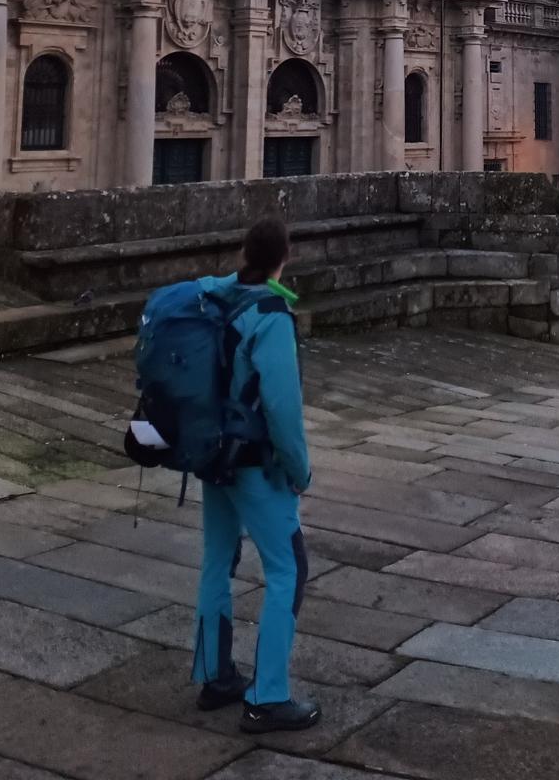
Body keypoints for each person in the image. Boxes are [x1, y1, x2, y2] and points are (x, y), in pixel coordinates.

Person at [191, 217, 319, 734]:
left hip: (211, 454)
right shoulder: (271, 316)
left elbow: (218, 281)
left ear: (244, 254)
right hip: (252, 462)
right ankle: (267, 698)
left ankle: (215, 675)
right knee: (289, 569)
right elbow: (283, 408)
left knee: (217, 560)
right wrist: (300, 470)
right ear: (284, 258)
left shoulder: (218, 298)